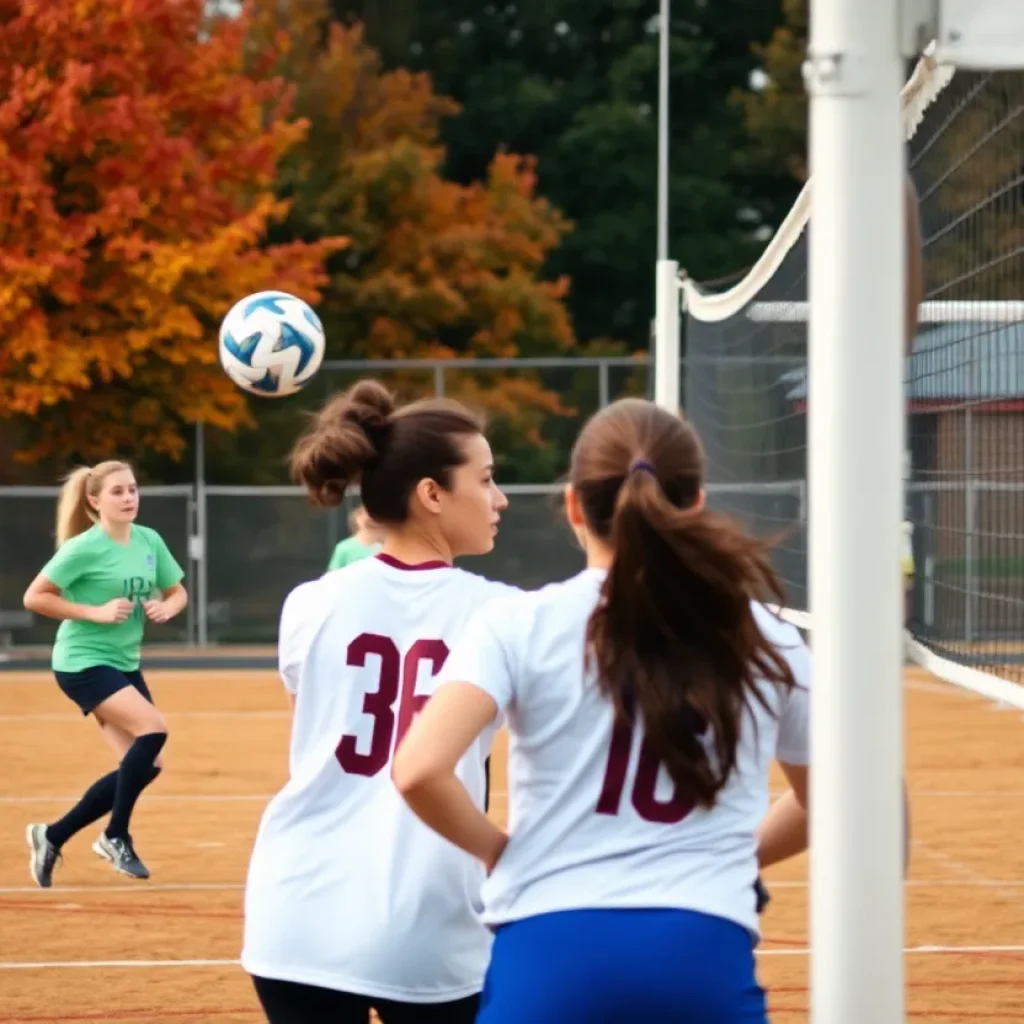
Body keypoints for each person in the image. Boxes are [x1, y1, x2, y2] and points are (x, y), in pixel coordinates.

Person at [394, 398, 811, 1023]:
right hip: (701, 951)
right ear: (695, 503)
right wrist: (730, 856)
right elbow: (836, 799)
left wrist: (500, 851)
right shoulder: (765, 633)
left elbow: (418, 770)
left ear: (573, 506)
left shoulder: (516, 623)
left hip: (548, 952)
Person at [242, 380, 514, 1024]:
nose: (499, 499)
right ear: (431, 495)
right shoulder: (502, 615)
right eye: (486, 480)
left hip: (295, 915)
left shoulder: (308, 602)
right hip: (424, 922)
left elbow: (320, 738)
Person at [22, 462, 187, 886]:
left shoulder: (149, 540)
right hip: (82, 661)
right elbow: (35, 597)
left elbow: (177, 590)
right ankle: (116, 835)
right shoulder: (83, 548)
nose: (129, 497)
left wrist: (168, 606)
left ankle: (52, 835)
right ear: (94, 501)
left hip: (124, 662)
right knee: (154, 729)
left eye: (132, 489)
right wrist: (92, 612)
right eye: (117, 492)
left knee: (149, 764)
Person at [328, 505, 385, 571]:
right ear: (357, 520)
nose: (370, 519)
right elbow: (333, 574)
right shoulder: (344, 547)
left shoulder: (385, 547)